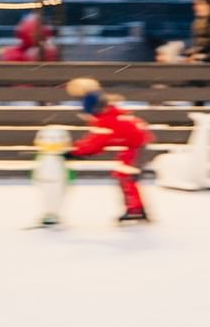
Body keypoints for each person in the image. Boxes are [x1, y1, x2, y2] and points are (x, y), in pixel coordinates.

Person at [64, 78, 153, 223]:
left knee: (126, 177)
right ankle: (135, 208)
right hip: (134, 145)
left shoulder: (106, 121)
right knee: (125, 176)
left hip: (136, 147)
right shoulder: (112, 114)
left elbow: (95, 143)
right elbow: (95, 140)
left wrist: (75, 153)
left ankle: (135, 210)